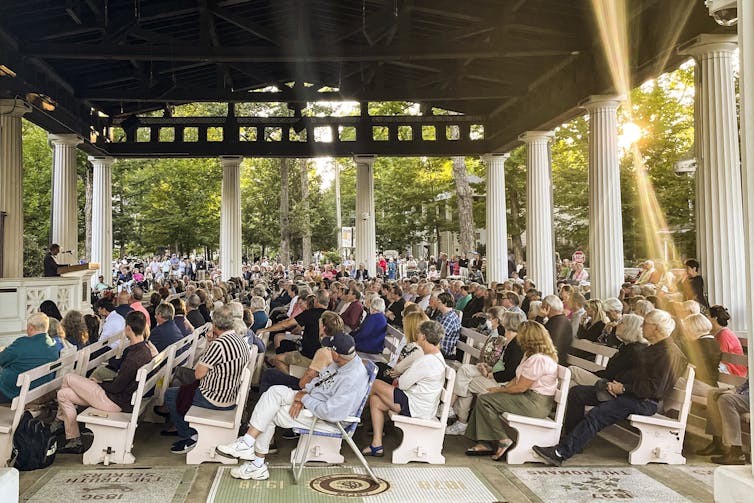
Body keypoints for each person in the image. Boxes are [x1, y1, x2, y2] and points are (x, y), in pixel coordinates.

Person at [533, 309, 687, 466]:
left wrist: (624, 389)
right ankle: (571, 440)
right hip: (630, 393)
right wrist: (615, 385)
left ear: (656, 327)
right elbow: (634, 375)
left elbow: (655, 388)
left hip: (644, 401)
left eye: (645, 324)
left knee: (598, 413)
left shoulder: (669, 353)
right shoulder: (654, 348)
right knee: (577, 393)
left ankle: (560, 453)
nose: (641, 327)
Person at [215, 332, 369, 480]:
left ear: (337, 354)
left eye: (330, 348)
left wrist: (305, 399)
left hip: (329, 419)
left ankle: (256, 462)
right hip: (313, 401)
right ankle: (248, 444)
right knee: (274, 392)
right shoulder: (342, 362)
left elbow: (331, 412)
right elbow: (319, 380)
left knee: (270, 413)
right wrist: (302, 394)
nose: (327, 350)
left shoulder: (352, 378)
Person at [55, 311, 154, 454]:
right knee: (63, 394)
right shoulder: (144, 350)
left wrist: (98, 383)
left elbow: (116, 387)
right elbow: (120, 383)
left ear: (128, 329)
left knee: (68, 378)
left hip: (114, 401)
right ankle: (73, 439)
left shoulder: (134, 356)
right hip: (121, 399)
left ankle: (59, 421)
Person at [464, 320, 559, 460]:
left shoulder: (539, 359)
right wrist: (502, 388)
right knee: (485, 396)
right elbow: (517, 378)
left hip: (536, 403)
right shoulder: (530, 354)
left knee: (485, 400)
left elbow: (521, 387)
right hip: (528, 397)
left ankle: (502, 440)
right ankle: (485, 442)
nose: (518, 337)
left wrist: (499, 391)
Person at [166, 305, 252, 453]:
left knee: (171, 395)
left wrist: (210, 343)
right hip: (230, 394)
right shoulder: (240, 340)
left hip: (214, 398)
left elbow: (199, 374)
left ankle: (190, 436)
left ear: (215, 324)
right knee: (183, 388)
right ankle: (190, 431)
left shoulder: (220, 344)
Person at [364, 320, 447, 457]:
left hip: (416, 406)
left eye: (419, 334)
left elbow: (402, 383)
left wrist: (402, 375)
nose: (417, 337)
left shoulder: (426, 360)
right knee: (375, 400)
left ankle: (353, 416)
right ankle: (376, 445)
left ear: (423, 337)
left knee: (376, 384)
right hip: (421, 403)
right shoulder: (435, 356)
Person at [446, 309, 526, 436]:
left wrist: (490, 374)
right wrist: (488, 367)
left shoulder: (516, 345)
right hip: (494, 374)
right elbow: (501, 364)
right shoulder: (509, 340)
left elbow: (510, 373)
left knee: (467, 382)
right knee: (464, 369)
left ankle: (459, 418)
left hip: (501, 382)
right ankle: (452, 412)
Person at [569, 313, 647, 387]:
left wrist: (593, 373)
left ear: (630, 328)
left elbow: (612, 373)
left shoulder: (633, 351)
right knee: (571, 384)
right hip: (606, 380)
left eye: (621, 323)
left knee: (572, 370)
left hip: (610, 385)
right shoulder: (626, 346)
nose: (617, 325)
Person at [0, 313, 60, 404]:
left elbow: (2, 360)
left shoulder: (22, 343)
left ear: (31, 327)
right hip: (39, 390)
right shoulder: (53, 344)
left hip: (12, 393)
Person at [698, 381, 750, 465]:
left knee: (726, 399)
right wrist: (734, 390)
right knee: (713, 393)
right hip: (747, 394)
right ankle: (717, 444)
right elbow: (748, 383)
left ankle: (736, 453)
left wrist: (735, 393)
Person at [679, 313, 720, 397]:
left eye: (685, 330)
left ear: (693, 329)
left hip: (703, 385)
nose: (684, 334)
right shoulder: (711, 342)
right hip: (710, 383)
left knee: (668, 382)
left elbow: (689, 365)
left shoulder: (700, 345)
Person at [707, 305, 747, 377]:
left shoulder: (724, 335)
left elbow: (721, 358)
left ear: (715, 318)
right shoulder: (719, 332)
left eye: (708, 316)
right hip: (728, 367)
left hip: (734, 372)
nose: (706, 318)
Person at [542, 295, 571, 366]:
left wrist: (539, 317)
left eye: (542, 306)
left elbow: (537, 336)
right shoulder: (558, 319)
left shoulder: (558, 322)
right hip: (550, 357)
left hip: (553, 361)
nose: (541, 309)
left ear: (547, 307)